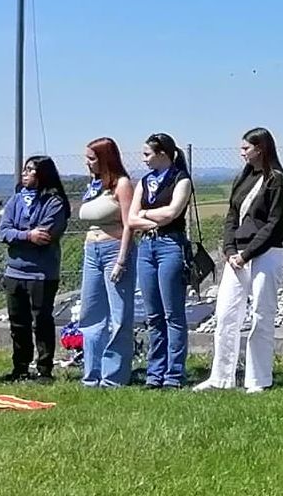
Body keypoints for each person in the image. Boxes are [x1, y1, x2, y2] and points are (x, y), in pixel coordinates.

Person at [195, 127, 283, 394]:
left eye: (245, 148)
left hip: (266, 254)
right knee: (226, 315)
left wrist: (247, 254)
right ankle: (220, 376)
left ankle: (258, 379)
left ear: (260, 148)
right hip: (235, 257)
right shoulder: (244, 178)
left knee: (262, 315)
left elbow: (274, 223)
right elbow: (232, 215)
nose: (242, 153)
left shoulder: (277, 181)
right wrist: (229, 250)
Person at [128, 132, 195, 389]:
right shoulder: (144, 182)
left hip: (170, 245)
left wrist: (144, 214)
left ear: (163, 154)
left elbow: (171, 213)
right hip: (146, 246)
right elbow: (131, 219)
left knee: (172, 314)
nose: (143, 159)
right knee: (153, 314)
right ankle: (154, 373)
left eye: (147, 154)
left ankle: (174, 374)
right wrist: (148, 219)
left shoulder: (181, 180)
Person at [0, 155, 70, 382]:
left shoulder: (54, 203)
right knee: (18, 323)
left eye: (30, 170)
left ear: (42, 174)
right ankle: (20, 367)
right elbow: (3, 232)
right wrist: (27, 234)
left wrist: (18, 235)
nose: (24, 174)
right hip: (14, 272)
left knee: (42, 321)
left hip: (42, 273)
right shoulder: (15, 200)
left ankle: (44, 368)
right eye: (24, 169)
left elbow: (46, 235)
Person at [76, 137, 136, 387]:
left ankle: (114, 377)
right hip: (92, 249)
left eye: (92, 158)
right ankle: (92, 374)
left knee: (119, 314)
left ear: (105, 159)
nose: (87, 163)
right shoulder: (94, 185)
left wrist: (122, 260)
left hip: (114, 250)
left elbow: (129, 224)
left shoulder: (122, 185)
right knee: (91, 313)